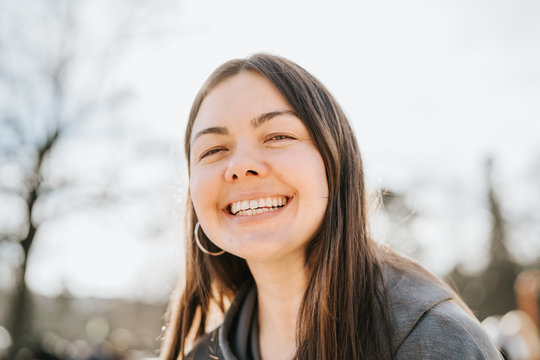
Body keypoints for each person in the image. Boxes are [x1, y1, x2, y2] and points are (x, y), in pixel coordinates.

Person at [160, 53, 501, 360]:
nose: (239, 166)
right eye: (213, 150)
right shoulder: (201, 357)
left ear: (336, 163)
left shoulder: (436, 343)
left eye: (278, 136)